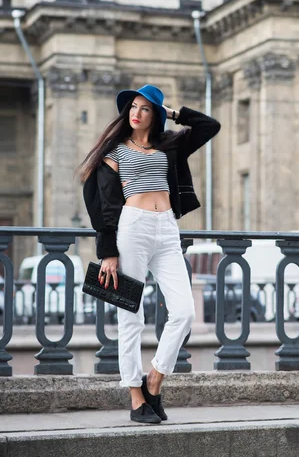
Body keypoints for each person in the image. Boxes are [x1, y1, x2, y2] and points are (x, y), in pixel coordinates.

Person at [80, 84, 220, 424]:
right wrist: (108, 251)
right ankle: (135, 395)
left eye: (145, 108)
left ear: (154, 114)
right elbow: (101, 205)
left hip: (167, 229)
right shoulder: (114, 153)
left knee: (184, 313)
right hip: (132, 229)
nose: (136, 113)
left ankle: (154, 380)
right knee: (131, 317)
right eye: (133, 107)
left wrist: (171, 112)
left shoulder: (170, 144)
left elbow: (209, 126)